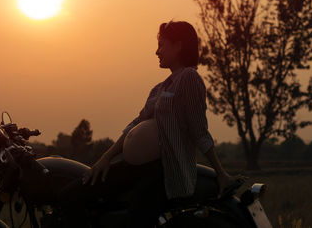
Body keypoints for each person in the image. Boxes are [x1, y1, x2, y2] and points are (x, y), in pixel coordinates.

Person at [80, 20, 244, 228]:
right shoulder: (159, 88)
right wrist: (105, 158)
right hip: (134, 167)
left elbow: (199, 131)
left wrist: (221, 174)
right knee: (76, 195)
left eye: (162, 45)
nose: (157, 52)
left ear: (178, 46)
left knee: (133, 222)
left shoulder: (189, 78)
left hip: (161, 172)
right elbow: (136, 123)